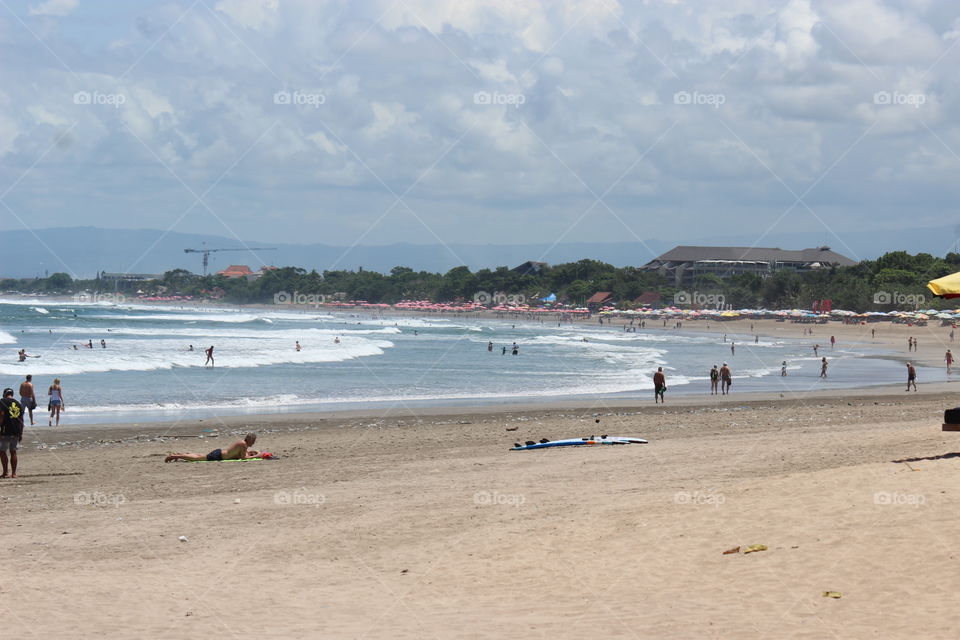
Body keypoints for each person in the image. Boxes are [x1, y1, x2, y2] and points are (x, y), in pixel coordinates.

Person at [165, 433, 259, 462]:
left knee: (199, 455)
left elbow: (240, 454)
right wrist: (258, 455)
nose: (253, 443)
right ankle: (175, 456)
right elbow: (243, 458)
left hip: (219, 452)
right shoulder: (243, 445)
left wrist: (252, 452)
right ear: (250, 440)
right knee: (197, 458)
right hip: (219, 456)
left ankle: (178, 455)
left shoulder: (243, 443)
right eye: (253, 441)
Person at [0, 388, 25, 478]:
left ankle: (5, 472)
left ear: (4, 394)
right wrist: (20, 433)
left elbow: (2, 414)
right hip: (16, 431)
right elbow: (21, 420)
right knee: (13, 451)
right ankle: (14, 473)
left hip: (5, 430)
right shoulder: (18, 404)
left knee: (2, 451)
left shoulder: (2, 401)